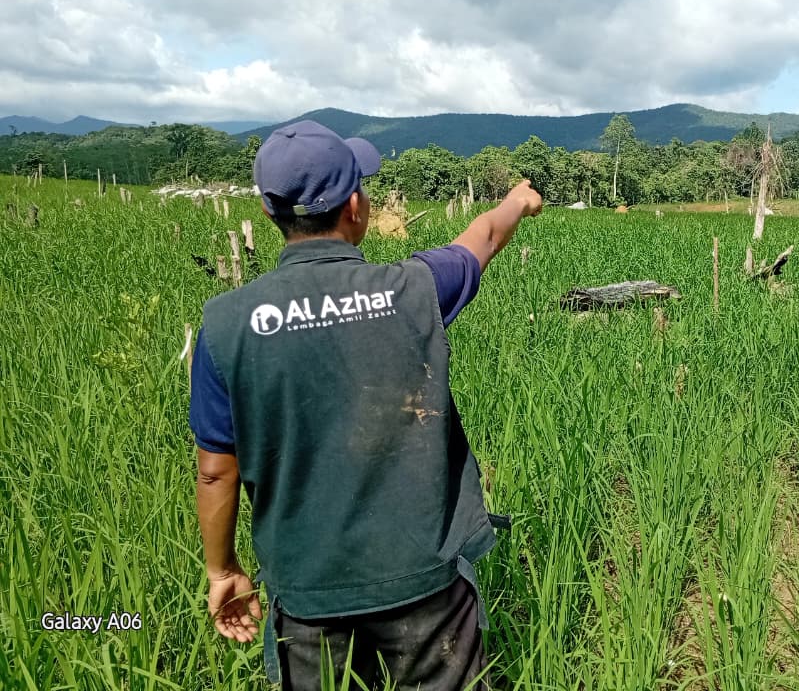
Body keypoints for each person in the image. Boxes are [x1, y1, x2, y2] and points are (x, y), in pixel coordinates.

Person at [190, 119, 541, 689]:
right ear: (356, 205)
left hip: (307, 592)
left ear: (269, 212)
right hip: (423, 582)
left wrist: (222, 569)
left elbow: (214, 471)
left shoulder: (226, 324)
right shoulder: (414, 288)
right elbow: (484, 238)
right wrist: (517, 201)